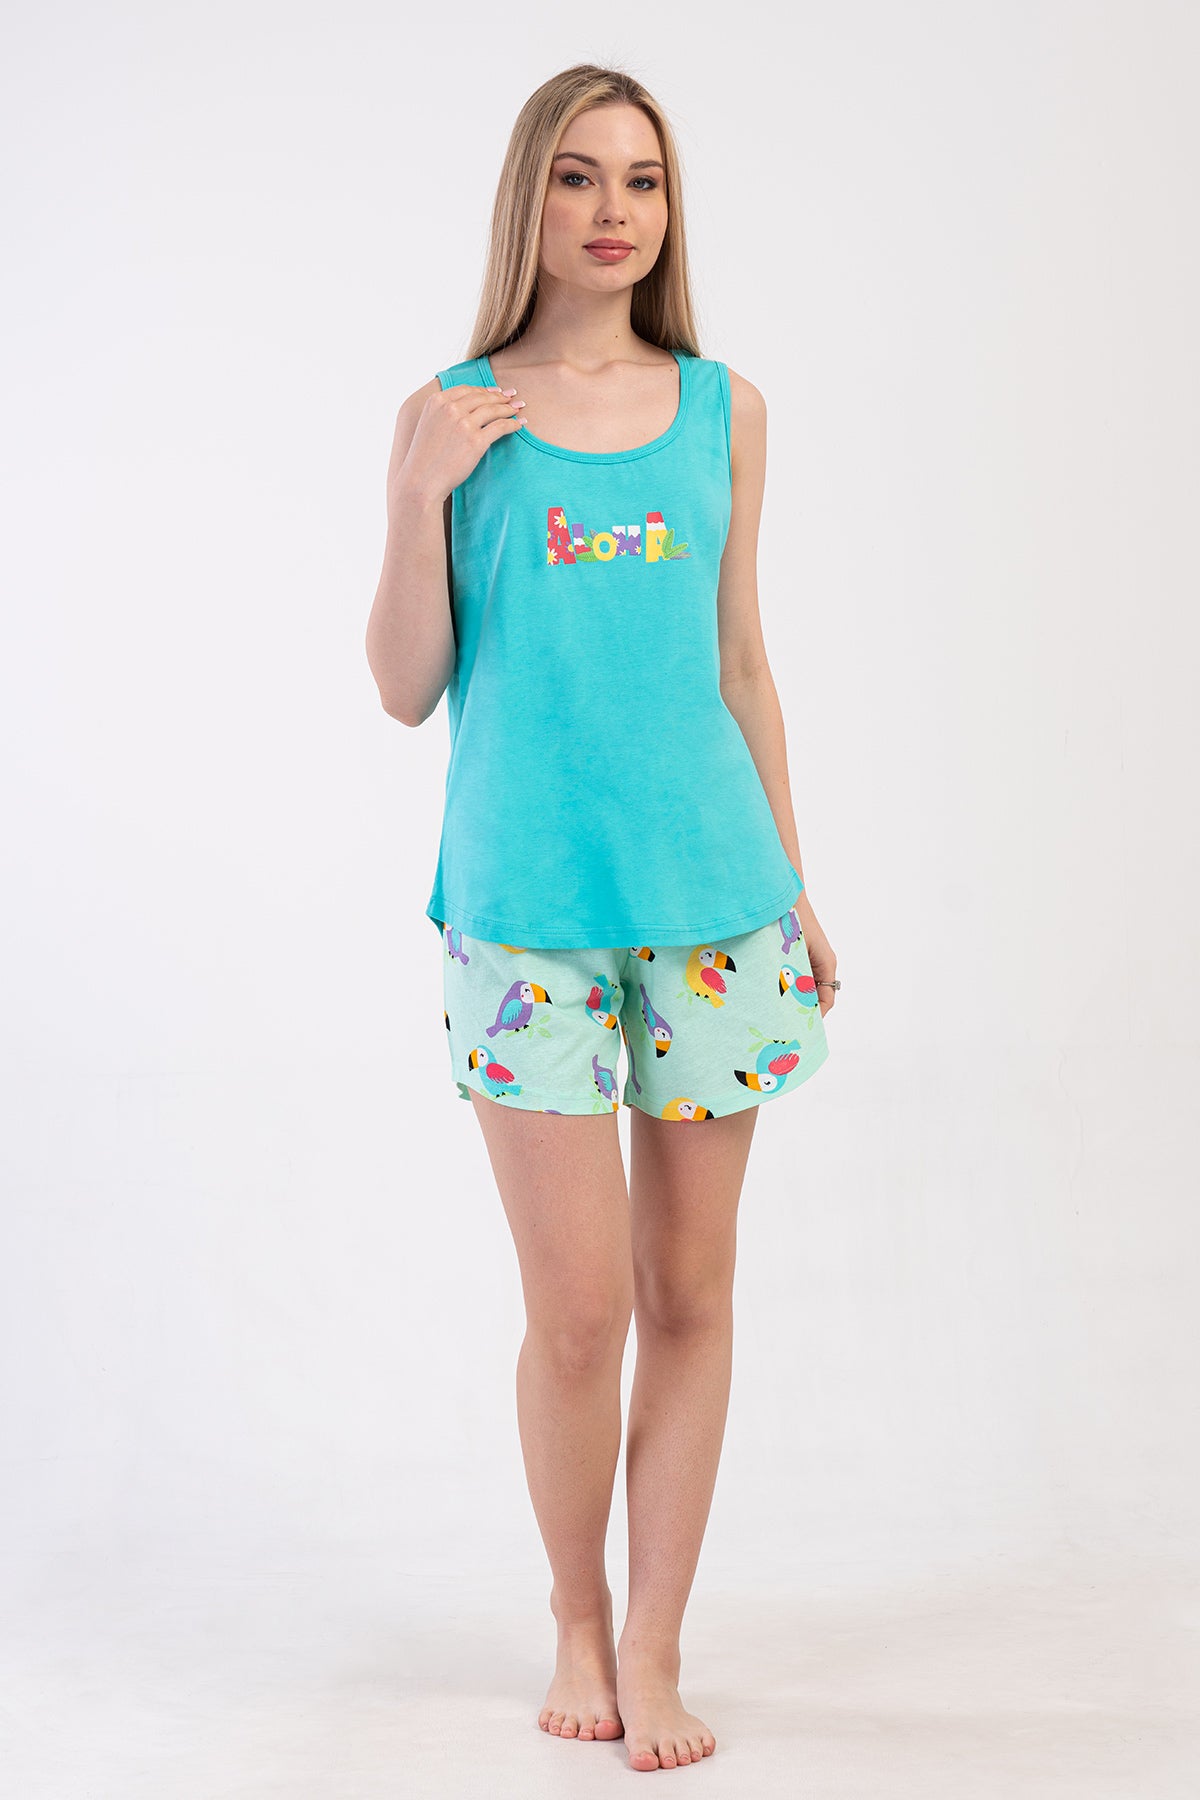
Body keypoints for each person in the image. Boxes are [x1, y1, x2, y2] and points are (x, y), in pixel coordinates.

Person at [365, 62, 840, 1775]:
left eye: (641, 178)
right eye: (578, 176)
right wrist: (415, 493)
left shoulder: (726, 410)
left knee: (688, 1293)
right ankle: (575, 1615)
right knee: (577, 1312)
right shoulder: (452, 413)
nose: (613, 208)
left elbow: (742, 663)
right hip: (525, 919)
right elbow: (405, 686)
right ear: (532, 200)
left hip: (717, 908)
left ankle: (655, 1640)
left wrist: (796, 883)